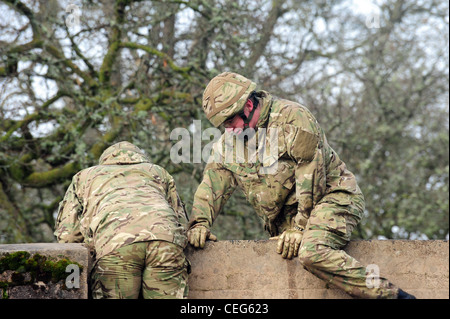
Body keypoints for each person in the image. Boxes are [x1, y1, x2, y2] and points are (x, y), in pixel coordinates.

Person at [187, 72, 416, 299]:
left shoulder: (293, 118)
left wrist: (300, 229)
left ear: (248, 106)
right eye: (223, 125)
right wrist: (199, 224)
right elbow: (212, 184)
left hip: (332, 198)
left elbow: (312, 176)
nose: (229, 129)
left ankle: (394, 297)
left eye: (230, 121)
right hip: (287, 222)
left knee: (312, 253)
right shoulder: (230, 143)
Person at [54, 141, 189, 299]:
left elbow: (69, 235)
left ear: (105, 160)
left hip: (114, 244)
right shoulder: (158, 172)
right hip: (166, 242)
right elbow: (181, 221)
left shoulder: (84, 176)